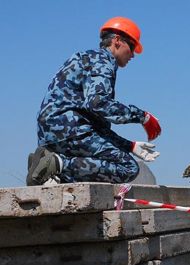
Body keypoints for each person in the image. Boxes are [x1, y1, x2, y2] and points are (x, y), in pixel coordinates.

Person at [27, 16, 161, 186]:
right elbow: (99, 104)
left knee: (108, 162)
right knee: (127, 168)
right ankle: (56, 164)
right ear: (117, 41)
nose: (133, 55)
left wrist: (130, 146)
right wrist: (143, 116)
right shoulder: (103, 60)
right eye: (132, 46)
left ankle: (49, 168)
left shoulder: (87, 57)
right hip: (70, 130)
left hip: (55, 131)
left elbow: (95, 124)